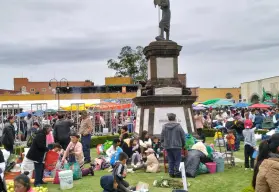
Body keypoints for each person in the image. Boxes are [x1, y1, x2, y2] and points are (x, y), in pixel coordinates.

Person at [161, 113, 185, 178]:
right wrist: (183, 144)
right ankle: (177, 172)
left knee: (171, 160)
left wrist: (163, 144)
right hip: (177, 145)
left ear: (168, 119)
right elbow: (183, 136)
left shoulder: (164, 127)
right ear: (175, 118)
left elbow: (162, 137)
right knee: (177, 160)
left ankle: (171, 173)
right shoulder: (178, 126)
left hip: (168, 146)